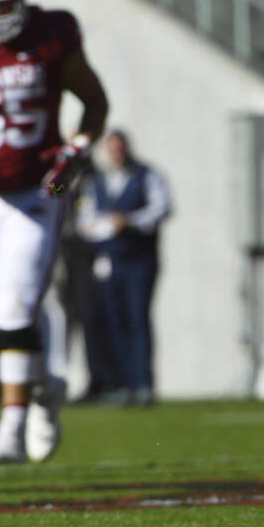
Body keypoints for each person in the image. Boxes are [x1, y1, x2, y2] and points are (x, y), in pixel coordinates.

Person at [0, 0, 109, 466]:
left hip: (44, 189)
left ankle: (11, 432)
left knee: (15, 307)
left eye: (7, 4)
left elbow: (94, 99)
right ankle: (44, 387)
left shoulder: (50, 33)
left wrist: (79, 146)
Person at [74, 129, 171, 406]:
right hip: (99, 257)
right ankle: (112, 382)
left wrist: (127, 222)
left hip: (138, 258)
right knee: (106, 322)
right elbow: (60, 193)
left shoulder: (145, 175)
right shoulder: (83, 178)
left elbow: (162, 208)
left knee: (136, 318)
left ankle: (141, 383)